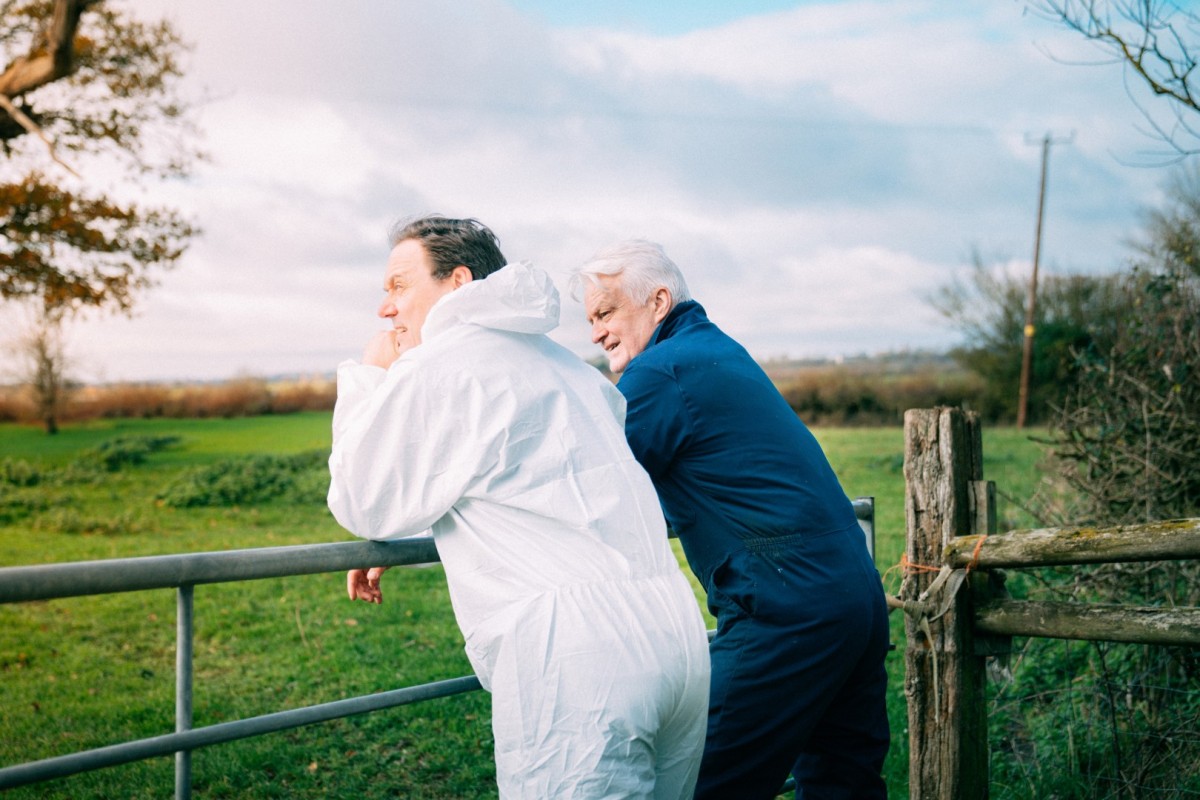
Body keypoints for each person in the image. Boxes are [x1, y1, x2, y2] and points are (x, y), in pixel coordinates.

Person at [326, 216, 711, 799]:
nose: (386, 309)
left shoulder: (441, 364)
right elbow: (523, 484)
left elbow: (362, 498)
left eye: (399, 285)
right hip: (673, 633)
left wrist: (372, 377)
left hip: (578, 661)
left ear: (458, 281)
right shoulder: (564, 368)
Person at [573, 240, 890, 800]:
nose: (594, 333)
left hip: (785, 607)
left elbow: (588, 490)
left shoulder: (659, 373)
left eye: (605, 313)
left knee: (699, 780)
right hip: (855, 596)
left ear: (658, 301)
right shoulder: (717, 351)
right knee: (843, 783)